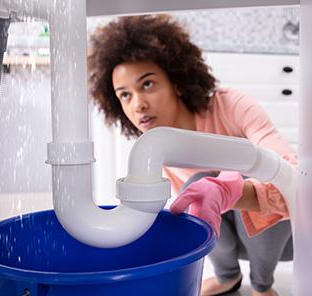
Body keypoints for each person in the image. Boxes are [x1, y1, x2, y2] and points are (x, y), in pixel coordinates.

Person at [88, 14, 297, 296]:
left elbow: (293, 176)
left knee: (248, 168)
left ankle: (262, 285)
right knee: (196, 184)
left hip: (282, 237)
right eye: (125, 95)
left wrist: (232, 190)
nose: (138, 105)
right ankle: (227, 276)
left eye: (147, 84)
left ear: (175, 81)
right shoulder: (157, 144)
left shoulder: (231, 106)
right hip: (231, 240)